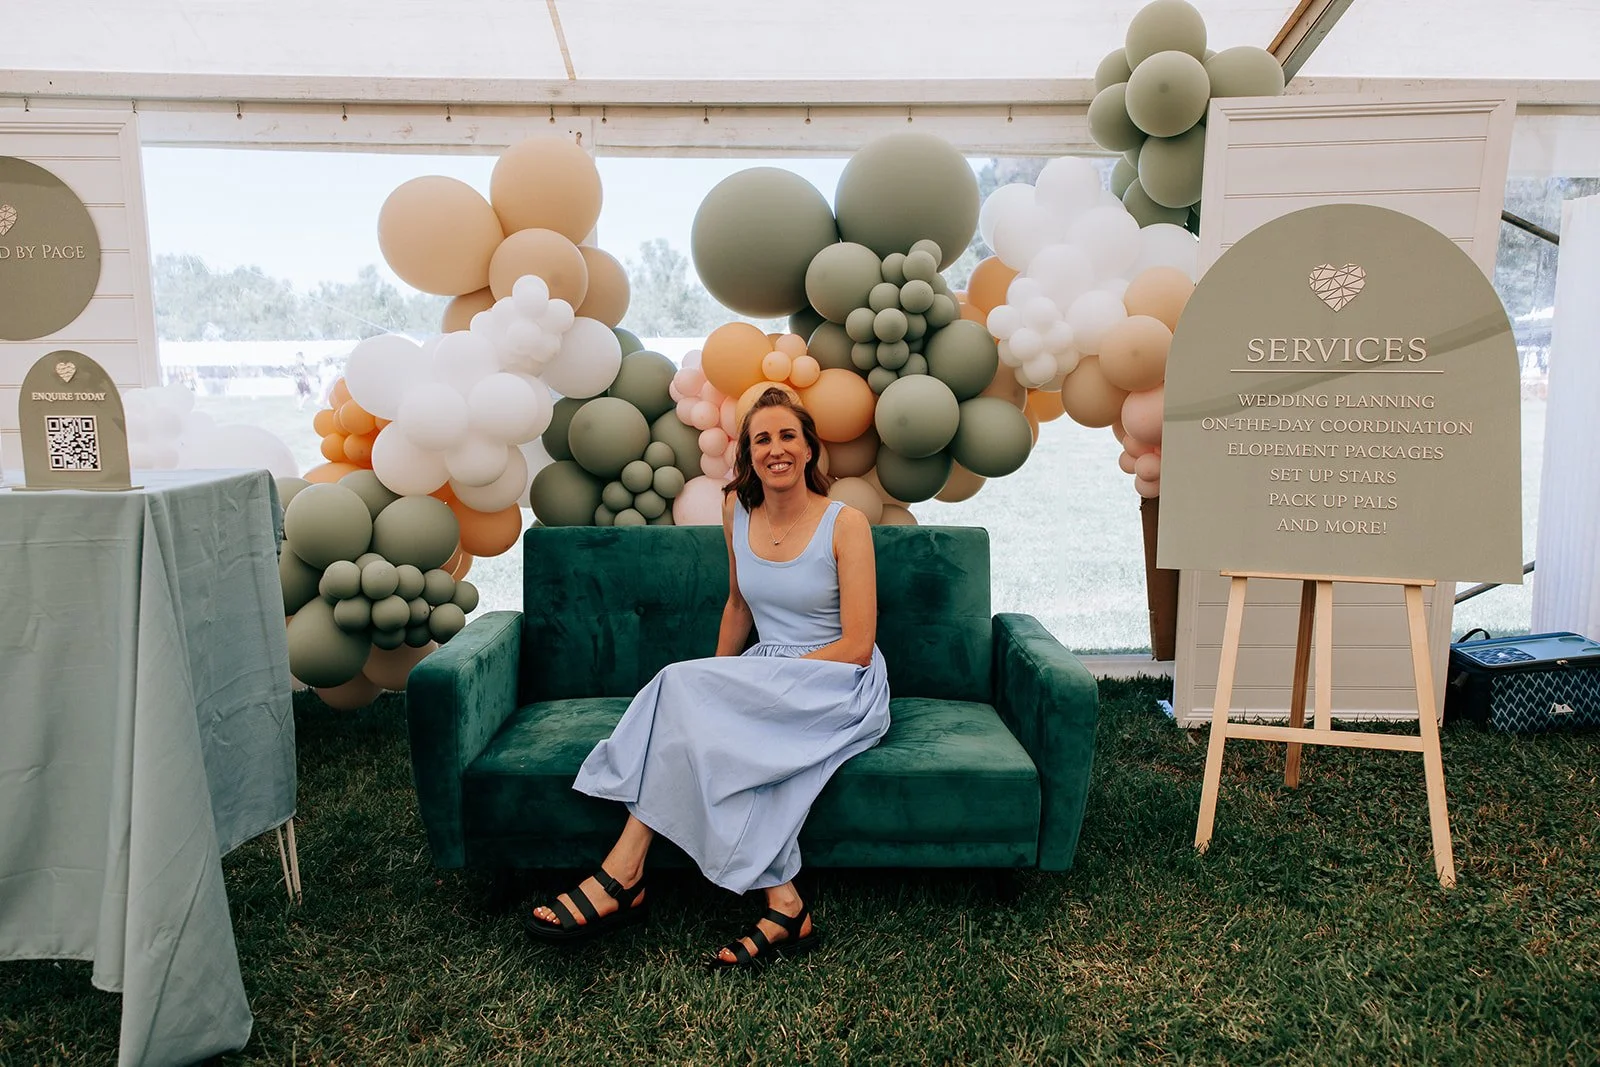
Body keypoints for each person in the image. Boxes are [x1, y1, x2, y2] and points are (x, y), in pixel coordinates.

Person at [523, 386, 891, 968]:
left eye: (787, 436)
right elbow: (739, 606)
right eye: (761, 438)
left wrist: (744, 688)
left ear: (809, 448)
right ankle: (785, 905)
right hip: (767, 668)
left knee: (676, 684)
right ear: (746, 452)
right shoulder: (735, 509)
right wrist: (727, 682)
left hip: (839, 679)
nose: (776, 449)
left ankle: (621, 876)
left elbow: (858, 644)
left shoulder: (845, 524)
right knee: (691, 706)